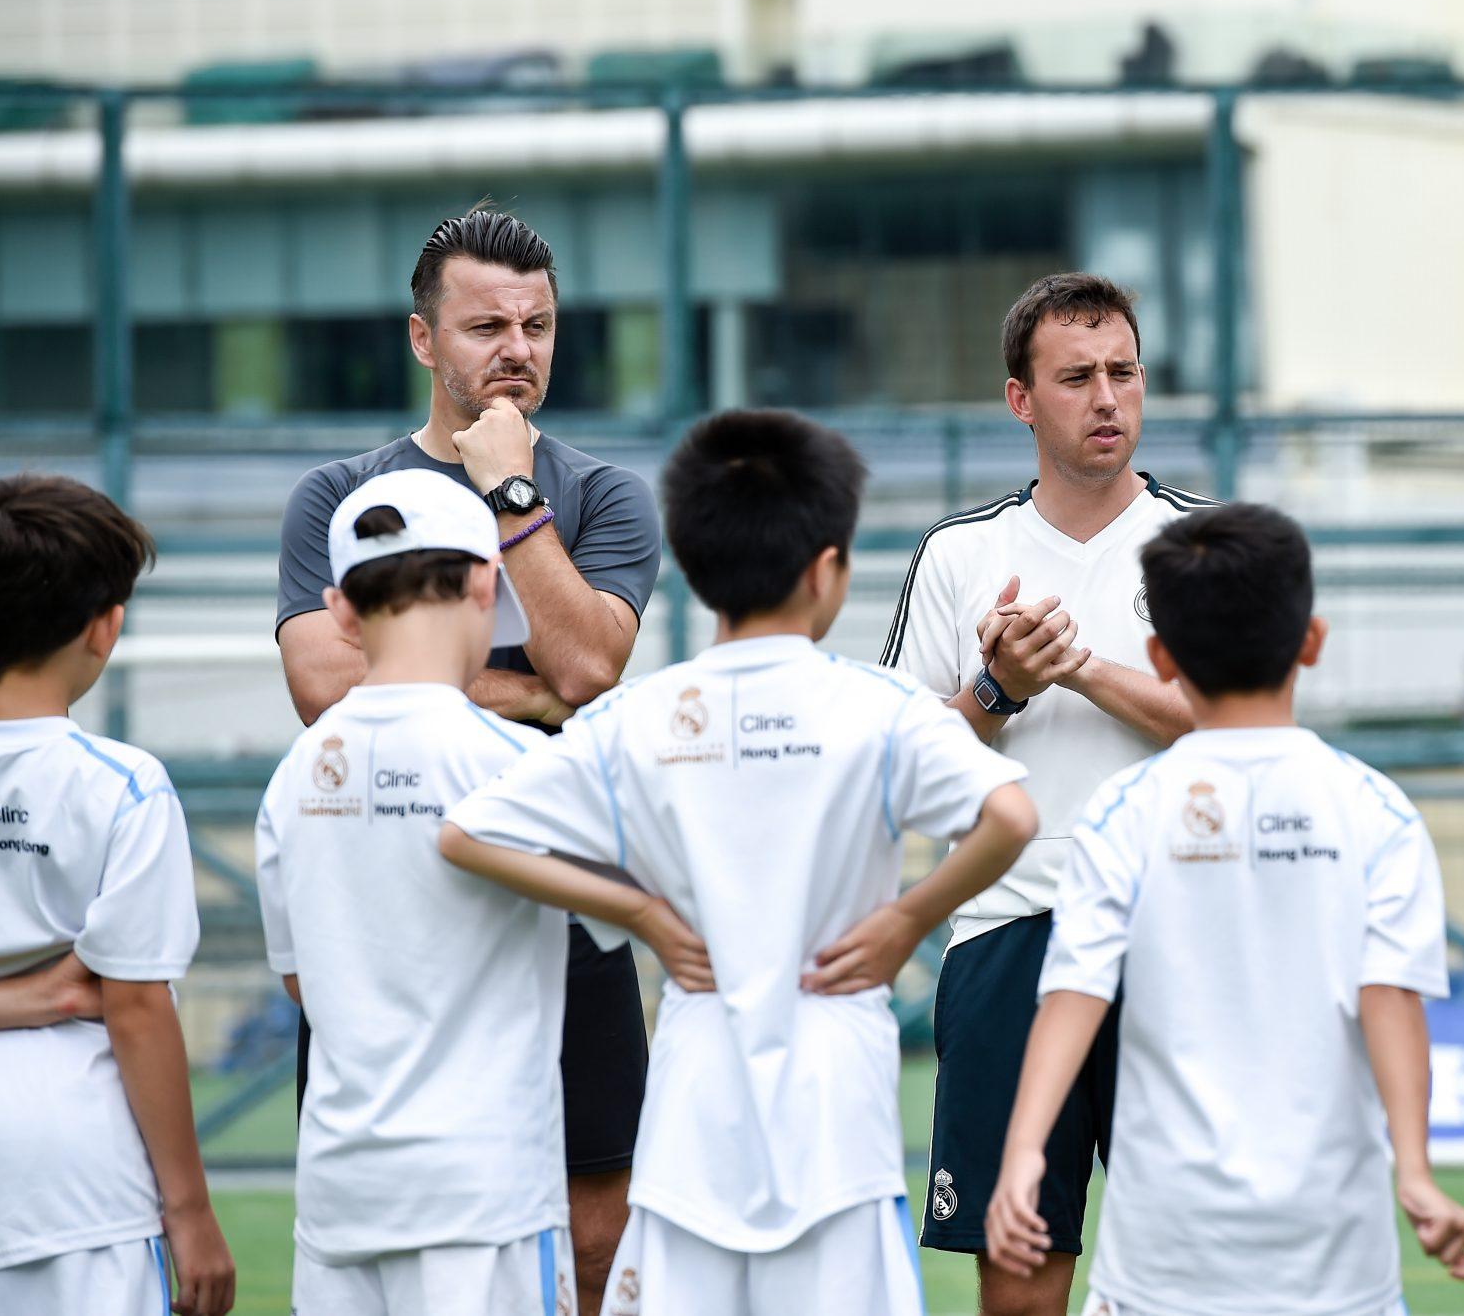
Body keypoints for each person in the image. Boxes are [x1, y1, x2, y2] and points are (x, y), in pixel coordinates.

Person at [439, 409, 1038, 1316]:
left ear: (693, 558)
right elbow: (1011, 814)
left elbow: (469, 833)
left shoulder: (641, 714)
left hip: (692, 1119)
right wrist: (906, 919)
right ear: (827, 568)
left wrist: (641, 916)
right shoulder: (872, 705)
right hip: (838, 1122)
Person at [274, 204, 661, 1310]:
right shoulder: (336, 496)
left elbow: (586, 667)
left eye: (536, 325)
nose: (517, 351)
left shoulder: (599, 494)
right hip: (377, 890)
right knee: (376, 1223)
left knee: (599, 1233)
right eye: (487, 325)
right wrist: (520, 687)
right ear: (421, 339)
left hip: (557, 881)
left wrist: (510, 495)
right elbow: (320, 686)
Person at [985, 503, 1464, 1316]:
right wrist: (1418, 1172)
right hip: (1334, 1265)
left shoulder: (1123, 810)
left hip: (1163, 1263)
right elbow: (1390, 997)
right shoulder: (1376, 811)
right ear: (1312, 641)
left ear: (1159, 655)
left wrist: (1021, 1157)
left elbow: (1072, 996)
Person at [881, 272, 1211, 1314]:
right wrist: (996, 688)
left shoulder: (1207, 543)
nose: (1107, 397)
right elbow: (904, 769)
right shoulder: (957, 555)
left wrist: (1076, 669)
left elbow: (1246, 727)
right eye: (1076, 377)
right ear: (1021, 400)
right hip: (1008, 929)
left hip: (1181, 932)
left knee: (1202, 1272)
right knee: (1020, 1272)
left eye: (1122, 372)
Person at [258, 469, 632, 1314]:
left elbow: (299, 983)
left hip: (339, 1193)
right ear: (485, 584)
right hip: (486, 1193)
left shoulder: (292, 779)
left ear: (341, 611)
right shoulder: (520, 764)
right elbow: (634, 914)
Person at [0, 474, 236, 1316]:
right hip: (74, 1181)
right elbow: (134, 1005)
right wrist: (191, 1210)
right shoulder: (123, 784)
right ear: (106, 628)